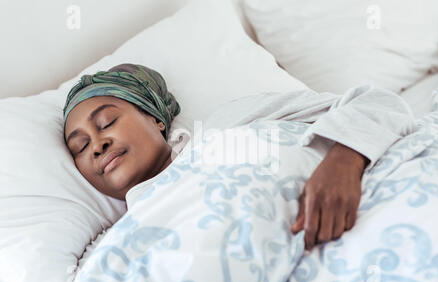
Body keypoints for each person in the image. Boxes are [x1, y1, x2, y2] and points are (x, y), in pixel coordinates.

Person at [63, 64, 378, 251]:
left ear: (155, 119)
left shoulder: (223, 126)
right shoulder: (121, 242)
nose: (97, 145)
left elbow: (373, 102)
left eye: (107, 123)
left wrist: (344, 163)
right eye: (80, 146)